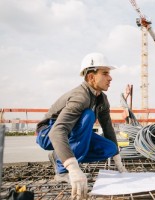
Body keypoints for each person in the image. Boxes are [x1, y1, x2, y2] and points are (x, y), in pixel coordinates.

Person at [36, 52, 127, 199]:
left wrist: (118, 160)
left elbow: (108, 127)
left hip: (69, 133)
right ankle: (62, 170)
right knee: (88, 116)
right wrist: (72, 168)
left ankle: (59, 155)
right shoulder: (81, 96)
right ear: (91, 77)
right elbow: (57, 132)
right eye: (105, 73)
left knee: (110, 148)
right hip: (47, 132)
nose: (110, 78)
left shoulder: (102, 99)